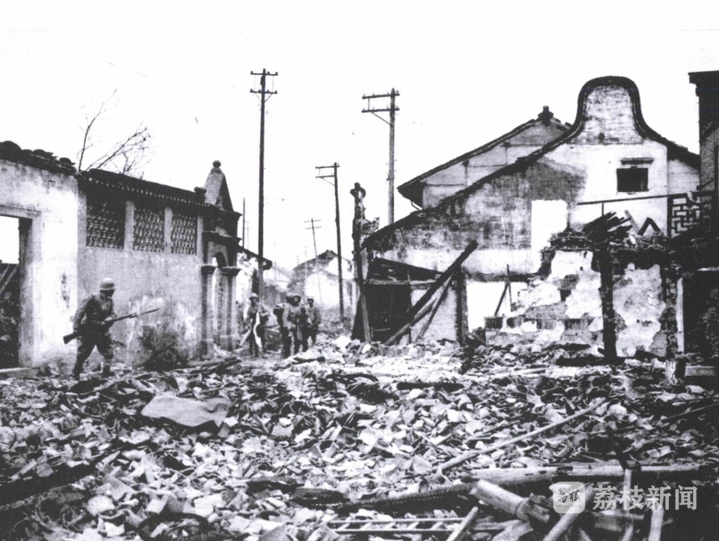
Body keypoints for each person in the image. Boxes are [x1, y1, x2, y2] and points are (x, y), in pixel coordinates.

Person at [72, 278, 117, 379]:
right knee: (82, 354)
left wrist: (110, 318)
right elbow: (79, 312)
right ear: (106, 290)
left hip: (103, 332)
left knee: (109, 353)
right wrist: (76, 328)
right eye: (111, 290)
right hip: (90, 331)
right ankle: (75, 375)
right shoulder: (92, 298)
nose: (113, 292)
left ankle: (105, 377)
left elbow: (114, 314)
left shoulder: (110, 301)